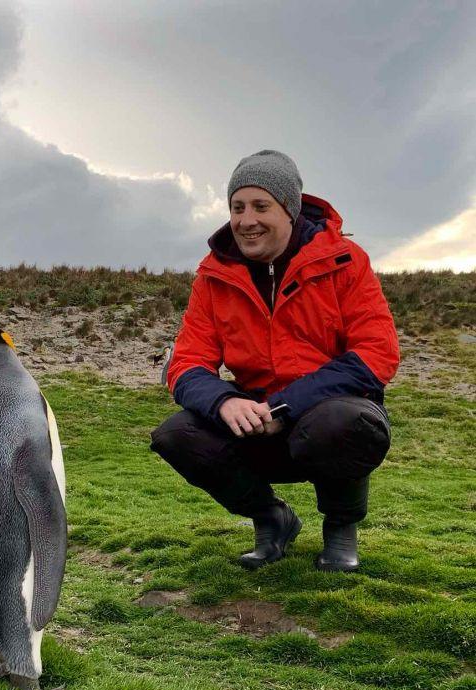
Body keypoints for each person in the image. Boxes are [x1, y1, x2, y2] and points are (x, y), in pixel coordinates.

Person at [150, 149, 399, 572]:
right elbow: (186, 362)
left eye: (261, 206)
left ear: (290, 209)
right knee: (176, 435)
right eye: (237, 207)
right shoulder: (214, 277)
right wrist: (225, 402)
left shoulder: (345, 262)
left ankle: (341, 527)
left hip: (323, 417)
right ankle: (271, 519)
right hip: (257, 417)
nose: (247, 220)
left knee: (343, 424)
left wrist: (285, 407)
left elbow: (377, 353)